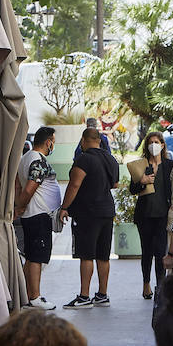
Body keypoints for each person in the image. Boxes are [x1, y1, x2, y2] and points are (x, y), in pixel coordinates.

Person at [59, 127, 118, 309]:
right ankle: (102, 295)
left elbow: (74, 185)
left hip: (87, 213)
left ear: (84, 140)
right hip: (106, 211)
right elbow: (114, 184)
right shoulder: (111, 159)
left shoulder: (83, 159)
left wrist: (64, 207)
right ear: (99, 141)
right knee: (103, 255)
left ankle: (84, 297)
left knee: (86, 255)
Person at [14, 126, 61, 311]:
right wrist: (22, 205)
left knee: (32, 256)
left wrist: (20, 206)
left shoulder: (25, 158)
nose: (53, 146)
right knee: (36, 258)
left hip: (32, 214)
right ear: (48, 141)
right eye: (53, 142)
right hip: (37, 214)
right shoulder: (37, 161)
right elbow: (29, 188)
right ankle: (35, 297)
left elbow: (17, 185)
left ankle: (28, 295)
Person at [129, 131, 173, 299]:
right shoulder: (141, 165)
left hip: (163, 215)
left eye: (157, 141)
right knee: (146, 250)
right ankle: (146, 283)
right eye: (150, 142)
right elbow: (132, 189)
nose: (154, 145)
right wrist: (142, 182)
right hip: (145, 215)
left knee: (161, 251)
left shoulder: (169, 165)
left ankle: (160, 285)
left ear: (162, 144)